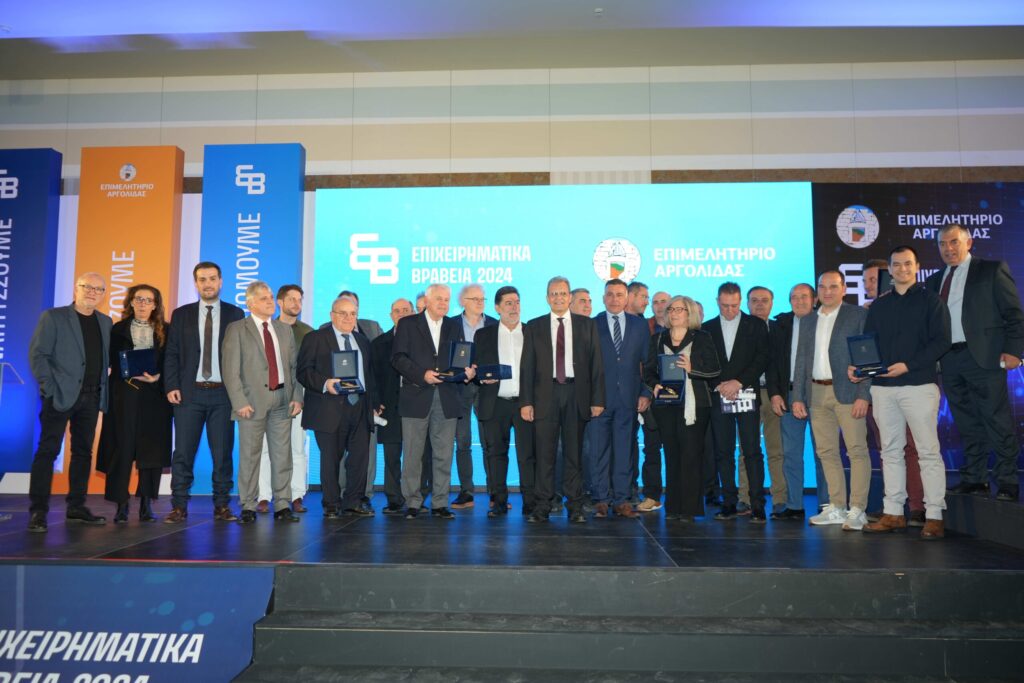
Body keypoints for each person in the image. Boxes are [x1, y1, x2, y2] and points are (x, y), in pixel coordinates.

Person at [857, 245, 951, 540]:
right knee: (890, 452)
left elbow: (942, 342)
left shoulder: (931, 301)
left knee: (927, 452)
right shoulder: (879, 305)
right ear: (890, 269)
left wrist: (908, 365)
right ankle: (893, 512)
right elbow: (868, 344)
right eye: (896, 264)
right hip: (883, 388)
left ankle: (934, 515)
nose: (902, 269)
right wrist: (859, 367)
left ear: (917, 267)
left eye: (908, 264)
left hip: (919, 385)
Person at [926, 224, 1024, 501]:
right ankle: (975, 478)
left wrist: (1014, 351)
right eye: (942, 244)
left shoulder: (991, 270)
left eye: (954, 242)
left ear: (968, 242)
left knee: (997, 420)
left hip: (984, 357)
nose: (948, 248)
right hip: (949, 359)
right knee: (966, 422)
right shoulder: (934, 280)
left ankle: (1007, 480)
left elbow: (1014, 314)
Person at [26, 272, 113, 532]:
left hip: (91, 397)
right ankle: (38, 511)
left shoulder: (105, 321)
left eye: (98, 289)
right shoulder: (53, 317)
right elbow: (38, 355)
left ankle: (76, 506)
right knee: (48, 451)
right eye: (87, 287)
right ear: (76, 288)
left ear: (103, 294)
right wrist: (49, 388)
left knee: (83, 453)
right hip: (59, 396)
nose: (92, 292)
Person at [164, 262, 245, 523]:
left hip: (223, 396)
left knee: (222, 454)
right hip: (189, 395)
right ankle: (178, 505)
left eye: (212, 278)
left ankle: (222, 505)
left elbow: (242, 356)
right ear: (196, 283)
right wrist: (172, 385)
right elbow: (172, 353)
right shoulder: (181, 314)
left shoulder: (235, 313)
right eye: (202, 279)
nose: (207, 284)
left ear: (221, 281)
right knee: (183, 453)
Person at [520, 276, 605, 523]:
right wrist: (526, 402)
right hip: (544, 396)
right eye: (554, 294)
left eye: (562, 293)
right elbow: (527, 367)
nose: (558, 297)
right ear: (547, 298)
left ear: (569, 297)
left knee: (574, 454)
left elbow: (596, 365)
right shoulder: (534, 326)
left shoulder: (587, 325)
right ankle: (542, 506)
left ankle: (575, 506)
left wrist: (597, 399)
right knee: (544, 455)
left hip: (576, 394)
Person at [791, 272, 872, 530]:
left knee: (856, 450)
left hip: (849, 391)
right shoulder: (808, 320)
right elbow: (801, 361)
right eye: (823, 287)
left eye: (833, 286)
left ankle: (858, 509)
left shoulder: (857, 315)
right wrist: (797, 397)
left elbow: (867, 357)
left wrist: (864, 395)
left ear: (844, 289)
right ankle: (836, 506)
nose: (827, 291)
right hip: (816, 392)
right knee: (826, 452)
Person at [392, 283, 475, 519]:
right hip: (416, 395)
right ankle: (413, 502)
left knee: (443, 454)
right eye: (439, 298)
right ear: (427, 301)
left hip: (447, 397)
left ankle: (440, 503)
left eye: (447, 300)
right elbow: (398, 358)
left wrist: (466, 372)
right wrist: (422, 375)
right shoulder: (408, 324)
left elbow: (458, 359)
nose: (443, 303)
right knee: (412, 455)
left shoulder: (454, 325)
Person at [223, 281, 304, 524]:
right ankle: (248, 505)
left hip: (282, 401)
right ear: (250, 304)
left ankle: (282, 504)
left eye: (270, 297)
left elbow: (294, 368)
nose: (270, 301)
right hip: (251, 403)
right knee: (250, 457)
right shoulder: (237, 329)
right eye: (264, 298)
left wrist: (296, 396)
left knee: (282, 456)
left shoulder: (284, 329)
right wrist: (239, 401)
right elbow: (230, 370)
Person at [97, 284, 172, 523]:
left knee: (151, 451)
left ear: (155, 305)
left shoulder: (167, 330)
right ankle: (121, 503)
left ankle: (146, 504)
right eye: (138, 299)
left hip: (155, 397)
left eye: (148, 300)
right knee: (121, 447)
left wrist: (158, 378)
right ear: (130, 302)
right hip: (124, 395)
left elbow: (172, 362)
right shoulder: (117, 329)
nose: (143, 304)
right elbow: (108, 361)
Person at [298, 295, 378, 518]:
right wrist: (326, 384)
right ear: (332, 315)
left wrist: (374, 403)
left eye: (352, 314)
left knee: (360, 459)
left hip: (359, 407)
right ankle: (331, 503)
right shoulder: (315, 338)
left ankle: (353, 502)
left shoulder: (363, 341)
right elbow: (303, 371)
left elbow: (370, 375)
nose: (348, 318)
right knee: (331, 459)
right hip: (328, 407)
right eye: (343, 313)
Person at [644, 296, 720, 521]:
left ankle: (689, 509)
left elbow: (714, 369)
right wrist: (654, 384)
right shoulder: (658, 338)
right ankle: (673, 507)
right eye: (671, 309)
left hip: (695, 406)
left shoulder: (702, 337)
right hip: (666, 404)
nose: (674, 313)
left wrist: (692, 367)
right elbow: (648, 370)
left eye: (680, 309)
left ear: (689, 313)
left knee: (691, 455)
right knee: (672, 454)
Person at [863, 258, 925, 526]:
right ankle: (893, 506)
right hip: (877, 391)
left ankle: (918, 506)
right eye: (866, 281)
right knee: (886, 449)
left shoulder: (914, 305)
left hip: (910, 386)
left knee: (911, 447)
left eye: (873, 279)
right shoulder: (867, 311)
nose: (870, 285)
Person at [702, 282, 770, 523]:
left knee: (752, 451)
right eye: (725, 305)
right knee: (723, 452)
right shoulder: (706, 328)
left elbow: (762, 358)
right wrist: (721, 385)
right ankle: (729, 503)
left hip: (747, 394)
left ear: (740, 302)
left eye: (734, 305)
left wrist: (738, 382)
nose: (730, 310)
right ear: (717, 302)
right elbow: (704, 362)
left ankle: (757, 504)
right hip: (719, 395)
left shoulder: (756, 325)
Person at [589, 279, 651, 518]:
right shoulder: (592, 324)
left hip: (629, 398)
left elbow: (648, 363)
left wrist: (645, 393)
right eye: (610, 294)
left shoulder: (640, 326)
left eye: (619, 294)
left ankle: (622, 500)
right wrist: (591, 398)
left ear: (627, 298)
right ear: (603, 298)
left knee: (625, 451)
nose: (614, 299)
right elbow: (586, 365)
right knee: (598, 451)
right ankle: (601, 499)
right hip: (599, 400)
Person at [475, 286, 535, 517]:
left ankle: (530, 502)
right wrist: (481, 378)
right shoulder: (484, 335)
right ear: (497, 308)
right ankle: (498, 501)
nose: (514, 307)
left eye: (517, 302)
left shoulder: (532, 332)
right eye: (509, 303)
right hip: (495, 403)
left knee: (527, 455)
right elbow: (476, 368)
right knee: (496, 455)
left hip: (525, 404)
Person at [257, 284, 313, 514]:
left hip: (297, 396)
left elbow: (307, 368)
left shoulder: (308, 333)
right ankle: (263, 496)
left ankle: (296, 495)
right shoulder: (265, 328)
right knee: (265, 448)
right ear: (279, 302)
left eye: (299, 299)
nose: (296, 304)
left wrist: (299, 396)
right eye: (291, 299)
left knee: (297, 448)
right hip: (268, 396)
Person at [767, 283, 815, 521]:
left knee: (823, 453)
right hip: (788, 394)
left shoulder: (825, 321)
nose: (799, 301)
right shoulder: (781, 325)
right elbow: (773, 362)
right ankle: (794, 505)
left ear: (814, 300)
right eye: (794, 297)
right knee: (791, 454)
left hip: (818, 393)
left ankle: (828, 505)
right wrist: (775, 393)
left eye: (804, 296)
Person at [451, 284, 498, 510]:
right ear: (463, 301)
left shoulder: (494, 324)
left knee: (490, 441)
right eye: (475, 298)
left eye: (483, 299)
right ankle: (466, 492)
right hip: (460, 388)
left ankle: (495, 492)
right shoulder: (451, 325)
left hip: (487, 387)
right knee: (463, 442)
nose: (480, 302)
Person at [740, 285, 786, 515]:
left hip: (774, 395)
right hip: (747, 393)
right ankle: (745, 498)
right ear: (747, 304)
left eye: (764, 300)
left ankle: (780, 499)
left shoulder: (780, 329)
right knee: (746, 449)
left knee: (776, 449)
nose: (759, 304)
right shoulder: (739, 328)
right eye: (754, 300)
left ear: (772, 303)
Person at [371, 298, 415, 514]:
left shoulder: (425, 341)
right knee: (391, 456)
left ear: (413, 313)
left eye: (406, 310)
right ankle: (394, 498)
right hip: (389, 407)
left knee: (417, 456)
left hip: (418, 406)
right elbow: (373, 377)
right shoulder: (379, 343)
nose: (401, 314)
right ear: (391, 316)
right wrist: (375, 401)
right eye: (397, 311)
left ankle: (416, 497)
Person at [626, 280, 662, 511]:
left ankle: (651, 494)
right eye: (645, 297)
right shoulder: (612, 323)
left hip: (650, 396)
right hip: (622, 396)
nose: (648, 303)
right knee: (624, 446)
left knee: (651, 447)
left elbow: (650, 365)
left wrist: (647, 391)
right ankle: (626, 491)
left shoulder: (647, 327)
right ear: (630, 296)